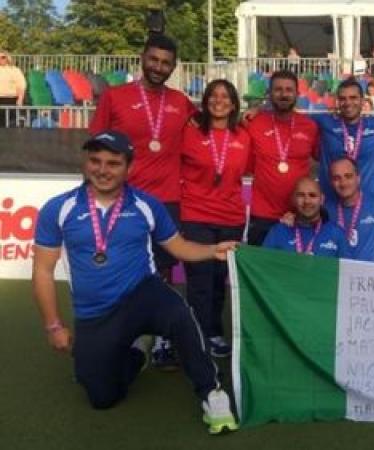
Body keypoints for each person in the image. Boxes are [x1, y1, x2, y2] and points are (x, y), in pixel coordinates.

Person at [31, 130, 238, 434]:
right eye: (95, 161)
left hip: (143, 293)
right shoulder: (58, 208)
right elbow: (43, 272)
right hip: (96, 311)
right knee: (101, 397)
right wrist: (53, 325)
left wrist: (211, 250)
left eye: (113, 163)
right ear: (85, 163)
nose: (102, 170)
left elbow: (178, 247)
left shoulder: (146, 204)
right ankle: (139, 351)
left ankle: (212, 393)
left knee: (181, 314)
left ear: (129, 168)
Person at [89, 35, 196, 368]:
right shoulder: (114, 98)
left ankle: (163, 341)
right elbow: (95, 149)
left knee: (163, 273)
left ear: (173, 67)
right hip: (123, 201)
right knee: (119, 271)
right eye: (154, 60)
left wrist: (247, 118)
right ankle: (113, 340)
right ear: (142, 59)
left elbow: (212, 126)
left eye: (166, 62)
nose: (158, 67)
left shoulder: (181, 102)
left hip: (166, 202)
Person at [180, 79, 251, 358]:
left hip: (231, 217)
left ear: (233, 104)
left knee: (220, 279)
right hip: (196, 214)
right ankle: (196, 333)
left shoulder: (244, 135)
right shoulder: (189, 132)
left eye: (225, 96)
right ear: (206, 100)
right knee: (199, 279)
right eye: (213, 95)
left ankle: (214, 332)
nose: (219, 101)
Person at [244, 70, 319, 245]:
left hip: (299, 212)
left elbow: (320, 157)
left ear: (297, 94)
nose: (283, 94)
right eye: (278, 90)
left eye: (288, 90)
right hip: (262, 214)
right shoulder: (253, 123)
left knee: (296, 270)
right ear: (269, 94)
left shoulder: (310, 126)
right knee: (260, 269)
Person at [313, 78, 374, 199]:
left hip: (368, 205)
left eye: (353, 98)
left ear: (362, 101)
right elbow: (294, 118)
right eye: (342, 99)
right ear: (337, 102)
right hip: (332, 204)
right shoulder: (325, 122)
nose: (348, 103)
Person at [324, 157, 374, 262]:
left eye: (348, 176)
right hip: (339, 274)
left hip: (373, 276)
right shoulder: (325, 209)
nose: (343, 183)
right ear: (331, 182)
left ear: (358, 178)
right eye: (337, 178)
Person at [263, 177, 350, 258]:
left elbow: (347, 271)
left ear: (322, 200)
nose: (307, 201)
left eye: (312, 195)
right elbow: (263, 266)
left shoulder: (337, 234)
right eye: (301, 195)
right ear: (293, 199)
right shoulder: (278, 231)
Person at [0, 50, 26, 127]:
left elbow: (21, 85)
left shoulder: (14, 70)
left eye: (3, 57)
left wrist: (20, 98)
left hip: (10, 99)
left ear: (7, 58)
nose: (0, 59)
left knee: (8, 125)